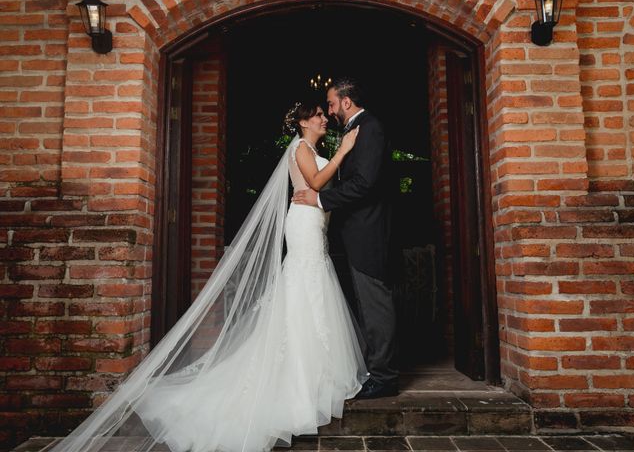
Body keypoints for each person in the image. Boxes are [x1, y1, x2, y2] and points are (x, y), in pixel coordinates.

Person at [47, 100, 366, 452]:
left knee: (313, 291)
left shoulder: (311, 146)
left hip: (314, 225)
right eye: (318, 115)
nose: (324, 119)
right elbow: (317, 180)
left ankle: (317, 375)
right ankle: (300, 381)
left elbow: (322, 191)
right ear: (304, 123)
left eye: (324, 114)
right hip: (304, 225)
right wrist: (345, 150)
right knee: (304, 287)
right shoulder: (301, 148)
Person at [292, 78, 399, 399]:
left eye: (332, 104)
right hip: (348, 231)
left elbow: (364, 182)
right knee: (366, 303)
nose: (329, 111)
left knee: (375, 303)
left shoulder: (369, 127)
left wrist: (322, 200)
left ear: (346, 102)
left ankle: (384, 376)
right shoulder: (348, 133)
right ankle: (375, 370)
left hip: (368, 232)